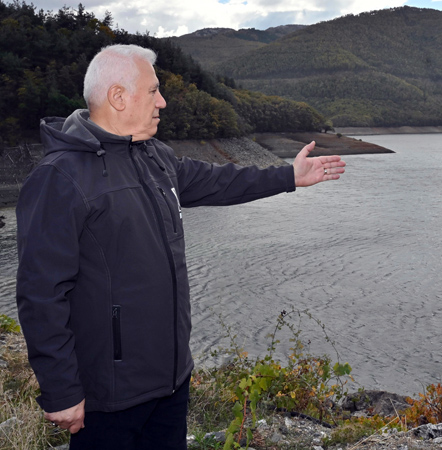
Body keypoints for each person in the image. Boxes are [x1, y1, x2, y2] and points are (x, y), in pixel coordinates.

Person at [15, 44, 345, 449]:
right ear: (118, 97)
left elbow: (221, 181)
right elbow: (40, 293)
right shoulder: (60, 177)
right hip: (110, 396)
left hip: (170, 383)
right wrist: (62, 390)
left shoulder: (156, 157)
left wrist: (288, 176)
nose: (163, 102)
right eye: (154, 91)